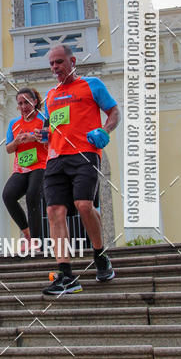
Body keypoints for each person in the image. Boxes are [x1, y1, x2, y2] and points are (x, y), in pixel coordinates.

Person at [32, 44, 120, 295]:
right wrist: (44, 135)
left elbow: (114, 111)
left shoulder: (92, 85)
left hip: (85, 154)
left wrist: (105, 130)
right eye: (51, 64)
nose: (54, 68)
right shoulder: (50, 96)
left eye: (59, 62)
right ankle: (67, 276)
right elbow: (51, 128)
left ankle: (100, 255)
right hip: (56, 159)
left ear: (72, 61)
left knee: (83, 205)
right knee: (54, 210)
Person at [2, 88, 48, 251]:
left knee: (32, 197)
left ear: (35, 102)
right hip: (21, 168)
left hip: (41, 164)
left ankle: (37, 242)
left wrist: (33, 137)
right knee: (8, 195)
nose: (23, 106)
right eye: (20, 103)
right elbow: (8, 148)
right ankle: (28, 235)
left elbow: (51, 136)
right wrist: (17, 142)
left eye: (26, 102)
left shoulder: (43, 119)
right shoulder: (14, 124)